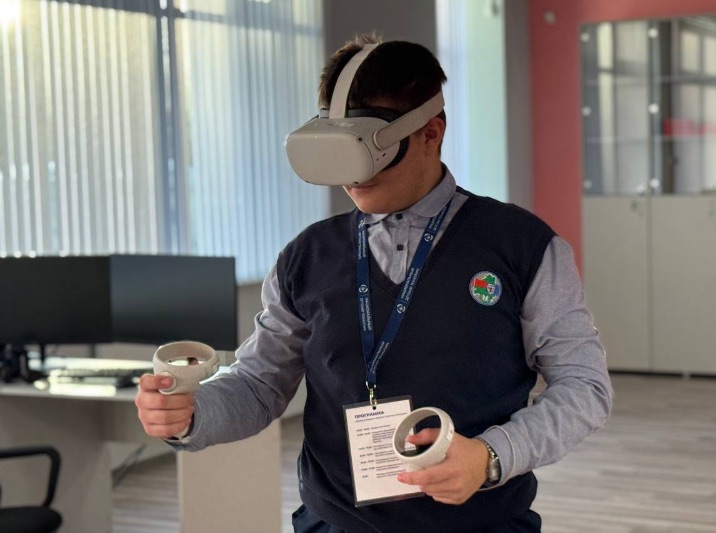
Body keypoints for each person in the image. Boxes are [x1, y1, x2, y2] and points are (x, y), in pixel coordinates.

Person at [135, 34, 612, 533]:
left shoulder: (522, 246)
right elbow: (259, 384)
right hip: (335, 522)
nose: (355, 177)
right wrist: (192, 414)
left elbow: (584, 386)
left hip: (481, 523)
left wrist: (491, 456)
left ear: (431, 133)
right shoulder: (306, 258)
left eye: (372, 152)